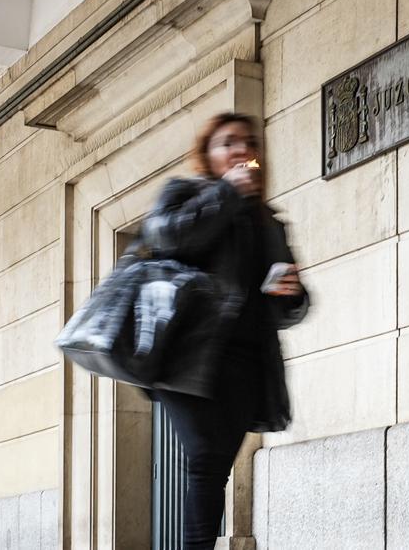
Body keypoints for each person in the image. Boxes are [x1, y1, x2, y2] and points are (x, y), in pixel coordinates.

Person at [140, 111, 308, 549]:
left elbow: (286, 303)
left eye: (247, 142)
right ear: (208, 154)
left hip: (246, 366)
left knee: (213, 469)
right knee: (205, 460)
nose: (240, 149)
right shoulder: (183, 193)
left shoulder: (268, 220)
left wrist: (290, 293)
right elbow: (167, 236)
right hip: (190, 360)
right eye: (228, 142)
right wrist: (224, 195)